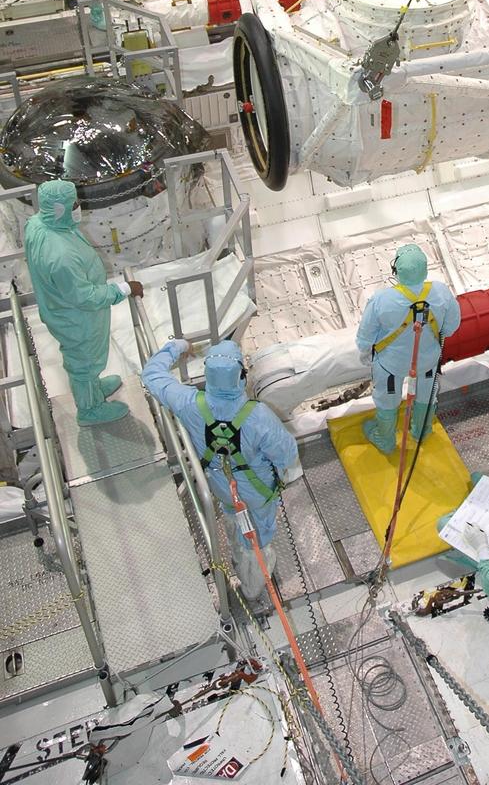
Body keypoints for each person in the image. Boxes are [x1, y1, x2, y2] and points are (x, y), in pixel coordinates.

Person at [141, 337, 299, 601]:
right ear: (241, 376)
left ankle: (237, 548)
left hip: (220, 485)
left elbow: (151, 375)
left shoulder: (189, 403)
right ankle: (252, 586)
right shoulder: (259, 416)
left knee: (233, 513)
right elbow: (287, 454)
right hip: (257, 491)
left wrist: (178, 347)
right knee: (257, 537)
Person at [24, 180, 142, 426]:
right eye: (74, 204)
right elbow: (85, 297)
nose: (79, 206)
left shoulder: (38, 224)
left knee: (85, 359)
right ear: (59, 209)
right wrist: (124, 289)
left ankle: (92, 386)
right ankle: (90, 409)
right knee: (84, 361)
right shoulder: (61, 255)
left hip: (62, 308)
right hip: (77, 317)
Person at [357, 244, 461, 454]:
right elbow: (451, 327)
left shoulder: (381, 299)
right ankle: (421, 432)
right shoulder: (441, 292)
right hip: (428, 363)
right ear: (425, 269)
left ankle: (385, 440)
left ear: (396, 270)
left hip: (391, 366)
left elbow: (365, 336)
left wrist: (365, 353)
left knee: (387, 399)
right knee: (426, 395)